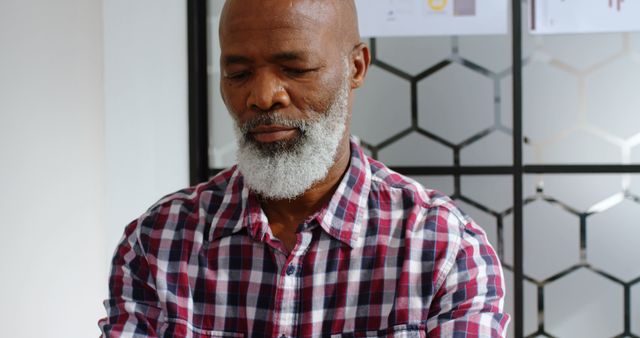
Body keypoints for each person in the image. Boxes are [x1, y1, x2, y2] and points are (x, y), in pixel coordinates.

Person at [99, 0, 510, 336]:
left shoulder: (442, 250)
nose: (262, 96)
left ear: (356, 67)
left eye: (296, 69)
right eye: (238, 73)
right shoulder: (157, 244)